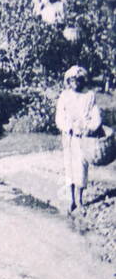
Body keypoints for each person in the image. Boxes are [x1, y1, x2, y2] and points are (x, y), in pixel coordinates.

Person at [55, 65, 102, 212]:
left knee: (81, 167)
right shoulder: (64, 96)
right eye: (73, 80)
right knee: (69, 166)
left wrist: (91, 128)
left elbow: (96, 116)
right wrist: (67, 127)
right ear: (69, 81)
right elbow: (59, 117)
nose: (76, 82)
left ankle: (80, 199)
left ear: (83, 80)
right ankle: (72, 200)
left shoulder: (89, 96)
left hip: (83, 138)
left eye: (79, 80)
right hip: (69, 137)